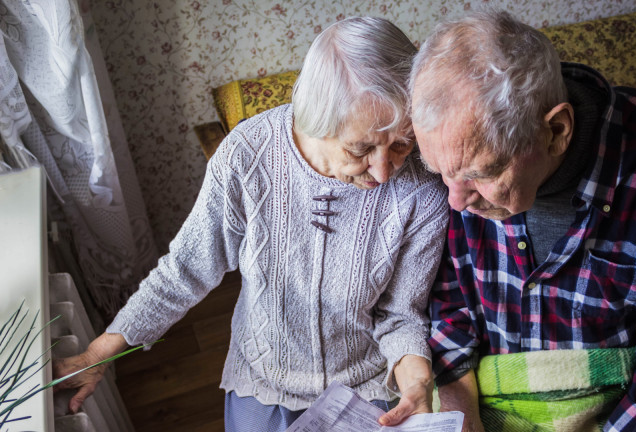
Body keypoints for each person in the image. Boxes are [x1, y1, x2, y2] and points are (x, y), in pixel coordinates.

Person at [53, 16, 448, 431]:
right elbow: (185, 270)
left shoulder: (423, 187)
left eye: (401, 144)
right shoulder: (247, 157)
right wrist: (97, 355)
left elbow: (401, 314)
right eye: (360, 148)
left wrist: (417, 385)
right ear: (317, 120)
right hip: (262, 377)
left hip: (365, 385)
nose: (384, 171)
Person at [409, 10, 636, 432]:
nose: (455, 200)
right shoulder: (460, 162)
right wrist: (461, 415)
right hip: (488, 398)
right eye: (440, 172)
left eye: (480, 175)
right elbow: (451, 308)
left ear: (556, 130)